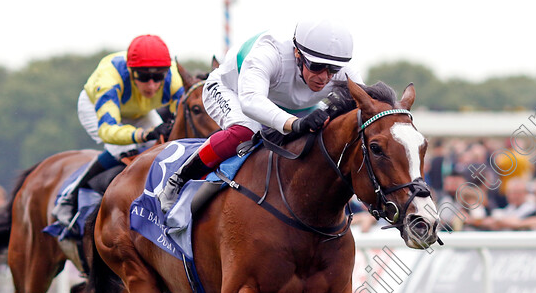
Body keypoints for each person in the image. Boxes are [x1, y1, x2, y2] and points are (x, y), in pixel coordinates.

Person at [157, 19, 363, 213]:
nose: (325, 77)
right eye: (317, 67)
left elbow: (368, 106)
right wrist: (295, 123)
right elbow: (251, 101)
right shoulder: (269, 53)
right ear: (297, 54)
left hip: (286, 103)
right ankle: (178, 180)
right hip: (233, 90)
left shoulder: (343, 71)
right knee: (246, 131)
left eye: (333, 69)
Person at [52, 34, 183, 227]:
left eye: (158, 77)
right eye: (145, 77)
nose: (152, 85)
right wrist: (143, 134)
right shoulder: (110, 79)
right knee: (122, 150)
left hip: (140, 110)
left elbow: (180, 121)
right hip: (98, 108)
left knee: (163, 147)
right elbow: (108, 130)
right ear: (131, 71)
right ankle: (68, 197)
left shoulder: (174, 80)